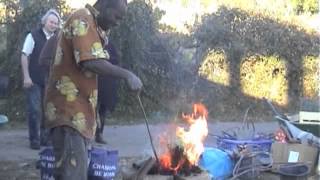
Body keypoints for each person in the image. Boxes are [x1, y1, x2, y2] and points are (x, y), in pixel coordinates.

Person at [43, 0, 142, 179]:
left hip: (77, 116)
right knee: (73, 175)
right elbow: (90, 61)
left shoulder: (94, 27)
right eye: (116, 16)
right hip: (69, 114)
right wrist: (127, 75)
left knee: (73, 173)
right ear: (104, 6)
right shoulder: (83, 19)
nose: (118, 22)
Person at [21, 9, 60, 150]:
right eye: (51, 22)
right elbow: (25, 55)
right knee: (34, 110)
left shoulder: (58, 38)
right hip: (34, 80)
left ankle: (45, 138)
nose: (53, 25)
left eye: (56, 23)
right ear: (44, 22)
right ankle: (34, 140)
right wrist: (26, 76)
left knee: (48, 111)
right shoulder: (33, 36)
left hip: (51, 81)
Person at [95, 42, 120, 144]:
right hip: (93, 82)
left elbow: (117, 60)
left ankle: (99, 134)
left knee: (102, 112)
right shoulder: (92, 43)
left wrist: (106, 58)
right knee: (91, 111)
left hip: (106, 85)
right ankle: (87, 134)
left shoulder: (110, 45)